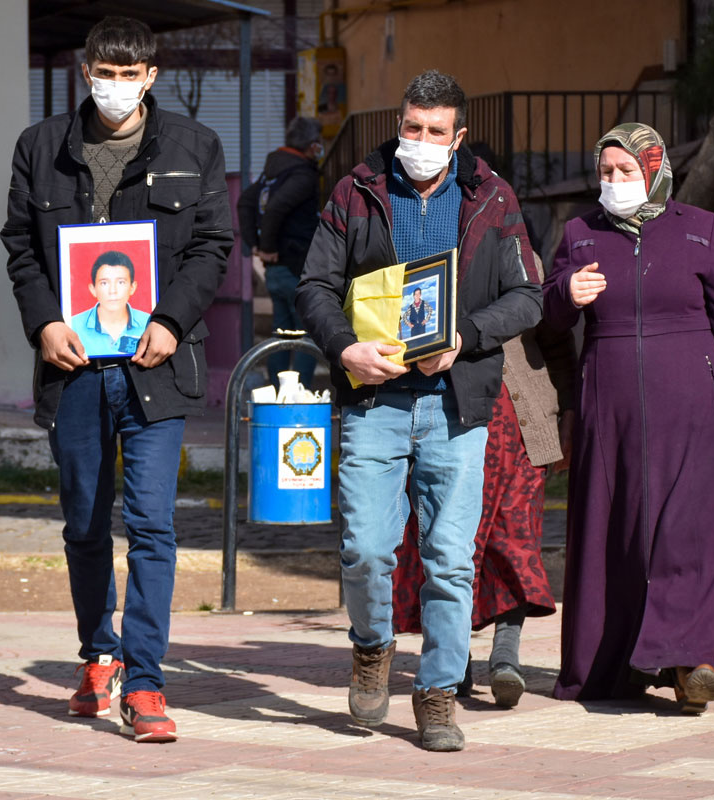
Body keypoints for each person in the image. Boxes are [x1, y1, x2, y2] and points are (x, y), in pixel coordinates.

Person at [296, 70, 541, 752]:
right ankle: (372, 644)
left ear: (458, 136)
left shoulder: (494, 197)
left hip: (456, 405)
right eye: (412, 128)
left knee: (450, 558)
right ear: (398, 125)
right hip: (374, 400)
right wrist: (346, 348)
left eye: (436, 132)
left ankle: (436, 695)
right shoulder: (357, 190)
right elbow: (314, 284)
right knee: (366, 548)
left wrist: (464, 340)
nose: (422, 142)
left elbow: (528, 297)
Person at [1, 16, 230, 743]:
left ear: (151, 77)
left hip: (154, 371)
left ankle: (147, 681)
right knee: (84, 525)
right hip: (73, 373)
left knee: (154, 526)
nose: (117, 85)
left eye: (131, 74)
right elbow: (20, 248)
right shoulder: (40, 148)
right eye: (107, 70)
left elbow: (212, 246)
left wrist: (170, 320)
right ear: (83, 69)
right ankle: (98, 652)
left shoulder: (196, 146)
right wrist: (44, 322)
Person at [543, 123, 714, 713]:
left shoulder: (701, 229)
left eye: (626, 172)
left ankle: (692, 661)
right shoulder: (580, 233)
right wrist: (566, 292)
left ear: (655, 171)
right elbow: (544, 320)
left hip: (699, 408)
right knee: (617, 536)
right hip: (611, 412)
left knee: (691, 533)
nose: (615, 183)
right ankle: (616, 665)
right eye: (606, 172)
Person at [392, 251, 576, 709]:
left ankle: (506, 657)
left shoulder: (521, 257)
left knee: (516, 539)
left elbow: (556, 342)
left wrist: (569, 408)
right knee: (449, 543)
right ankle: (454, 662)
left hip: (520, 427)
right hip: (447, 422)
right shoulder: (420, 255)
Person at [238, 116, 322, 386]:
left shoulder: (272, 172)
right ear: (311, 146)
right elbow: (275, 209)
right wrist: (267, 247)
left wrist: (255, 244)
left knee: (281, 334)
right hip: (295, 264)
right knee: (307, 335)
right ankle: (300, 393)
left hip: (275, 270)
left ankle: (277, 393)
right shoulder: (303, 174)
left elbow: (245, 202)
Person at [69, 250, 151, 356]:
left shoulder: (149, 322)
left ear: (132, 287)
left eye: (121, 282)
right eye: (104, 283)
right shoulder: (73, 325)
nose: (113, 291)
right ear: (93, 289)